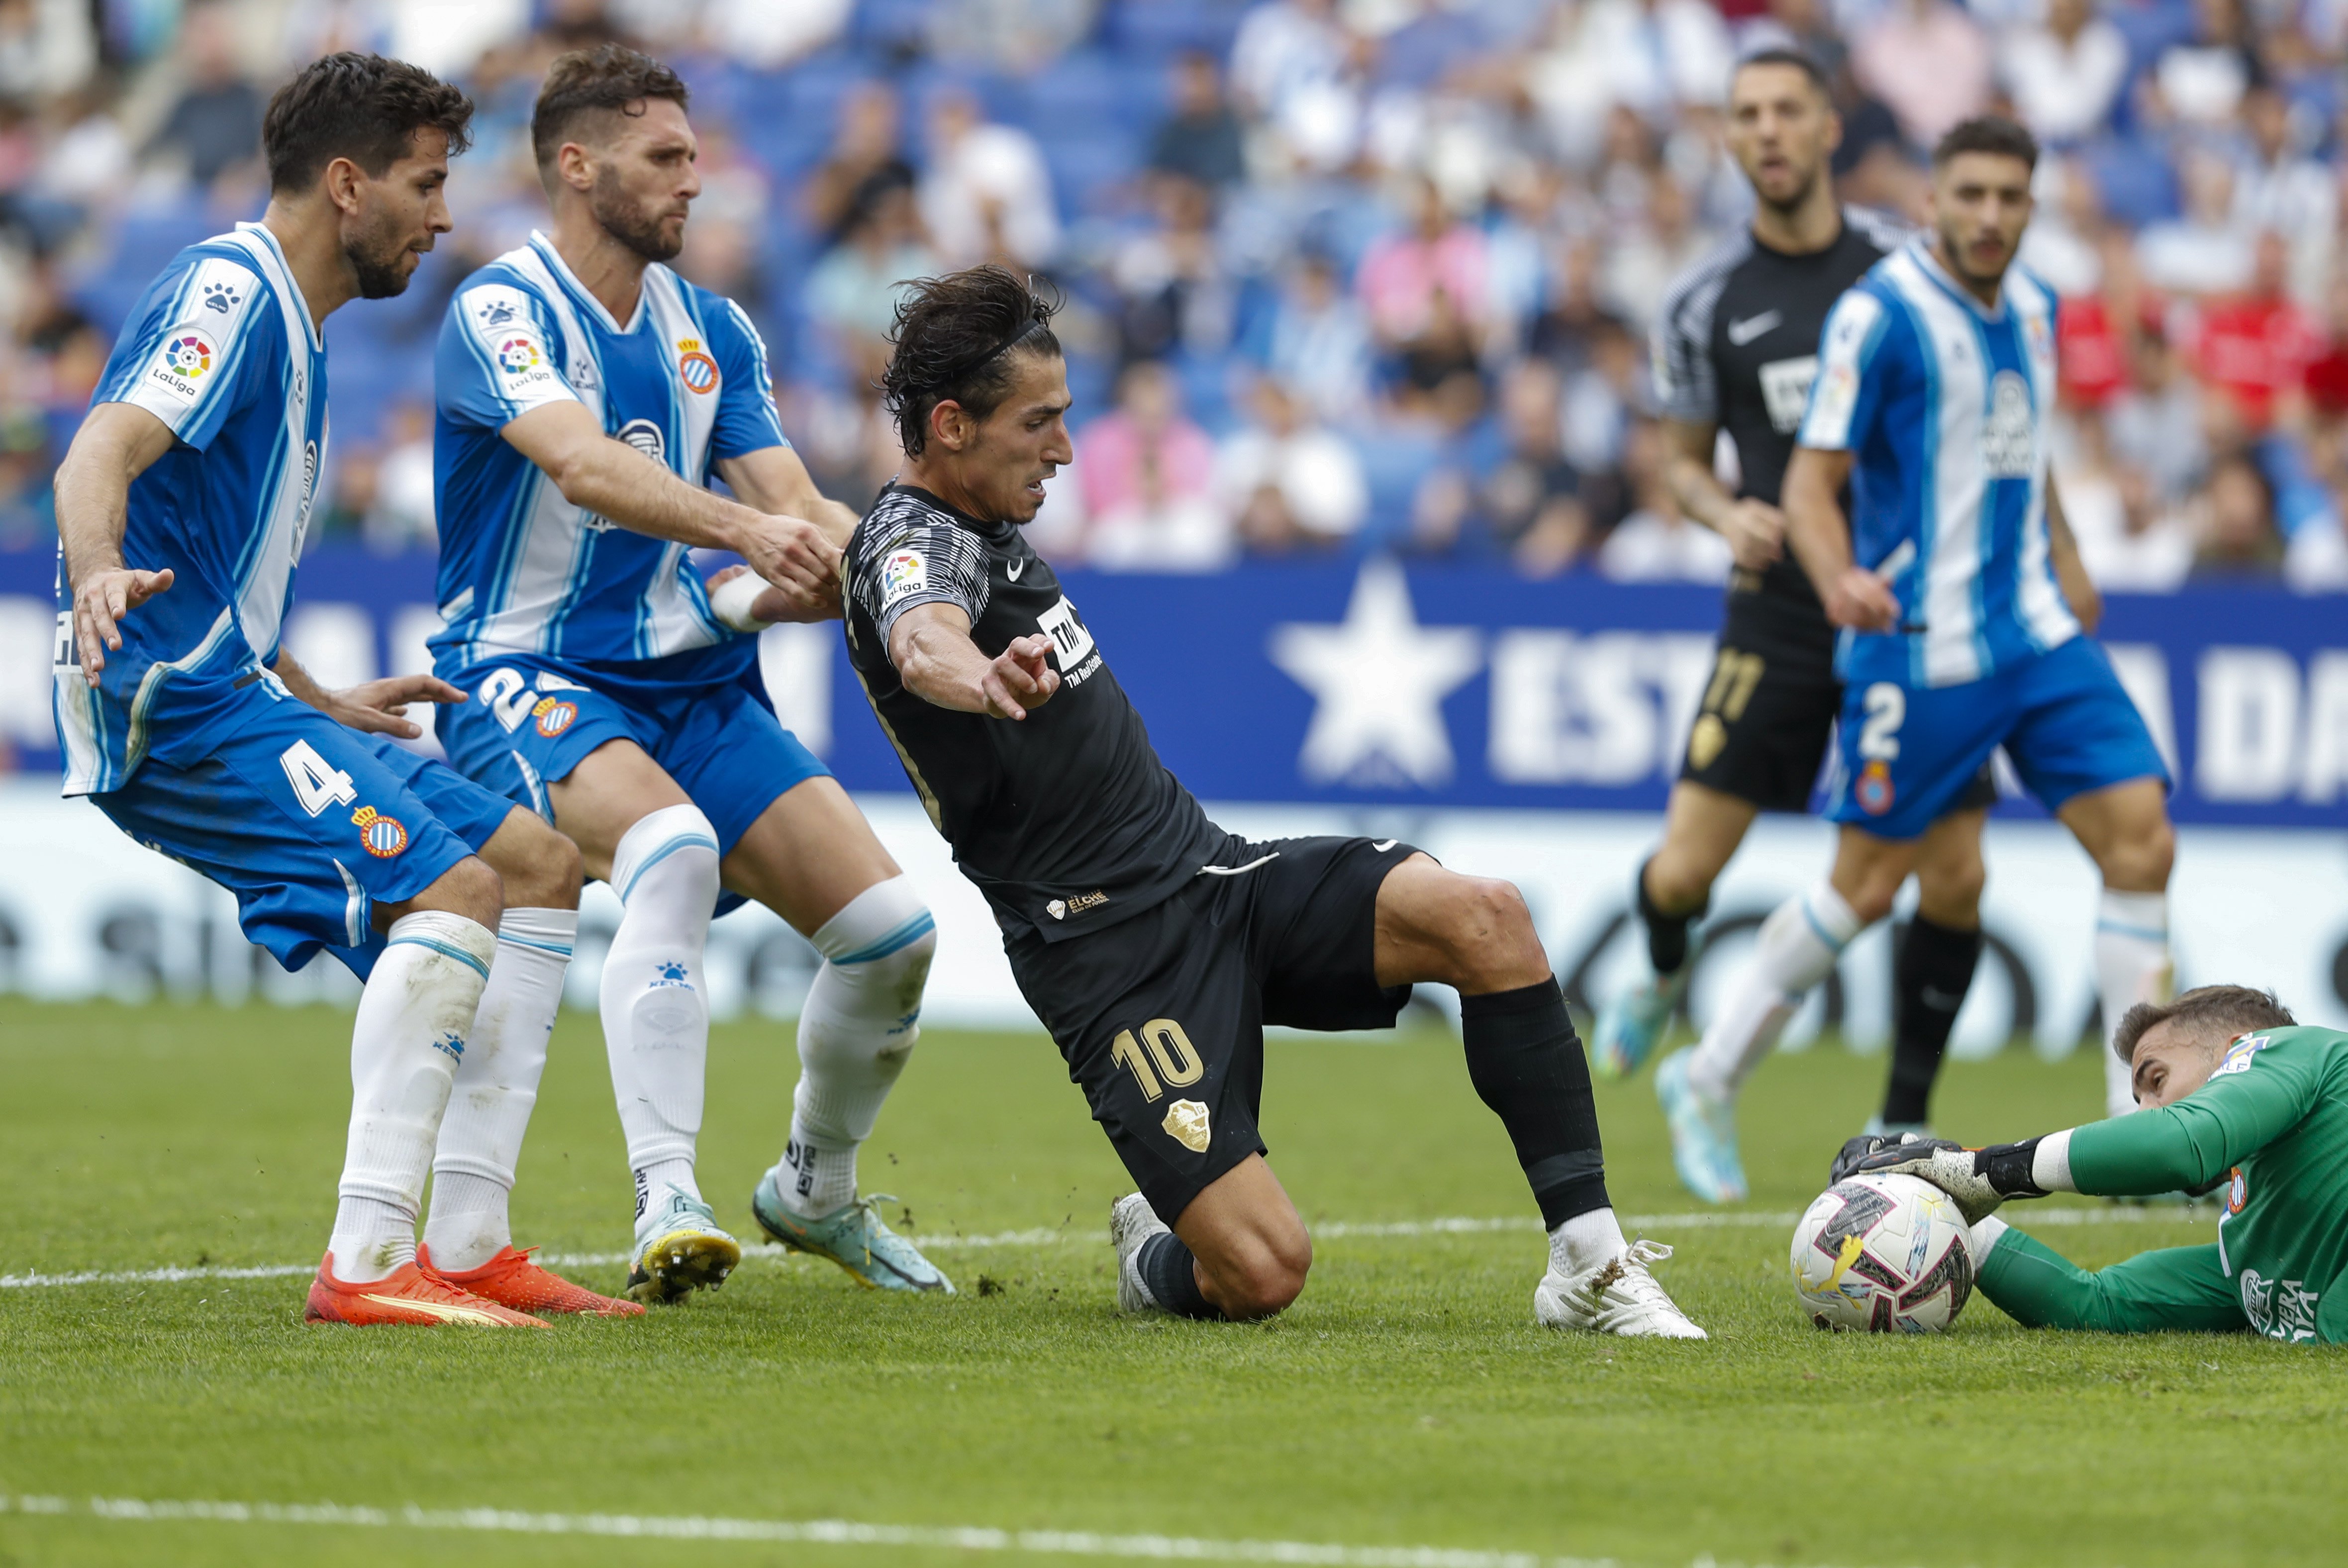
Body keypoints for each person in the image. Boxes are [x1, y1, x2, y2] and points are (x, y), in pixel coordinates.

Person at [838, 264, 1705, 1339]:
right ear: (952, 425)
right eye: (1042, 423)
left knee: (1487, 916)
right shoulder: (917, 542)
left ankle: (1587, 1263)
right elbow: (922, 637)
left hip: (1214, 877)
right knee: (1261, 1273)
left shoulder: (979, 516)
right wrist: (980, 680)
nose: (1065, 449)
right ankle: (1154, 1248)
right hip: (1106, 957)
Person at [54, 53, 632, 1328]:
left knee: (537, 863)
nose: (441, 217)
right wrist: (97, 573)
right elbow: (103, 441)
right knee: (455, 888)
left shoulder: (302, 332)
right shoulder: (233, 289)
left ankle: (473, 1239)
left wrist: (306, 690)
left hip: (233, 686)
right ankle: (368, 1259)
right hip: (168, 702)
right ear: (346, 181)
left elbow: (216, 564)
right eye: (426, 186)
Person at [429, 45, 951, 1304]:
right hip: (525, 668)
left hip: (695, 683)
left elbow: (797, 503)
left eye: (693, 158)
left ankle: (813, 1190)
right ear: (577, 163)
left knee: (892, 936)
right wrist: (743, 536)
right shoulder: (502, 308)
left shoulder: (712, 329)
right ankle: (667, 1192)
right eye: (664, 158)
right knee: (669, 851)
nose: (692, 182)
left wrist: (899, 586)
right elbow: (583, 465)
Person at [1600, 50, 1998, 1205]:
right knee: (1682, 871)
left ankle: (1904, 1124)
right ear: (1729, 140)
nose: (1767, 132)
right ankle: (1664, 974)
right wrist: (1726, 510)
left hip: (1905, 610)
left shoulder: (1903, 271)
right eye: (1746, 116)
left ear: (1830, 127)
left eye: (1787, 112)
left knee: (1957, 873)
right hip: (1776, 610)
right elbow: (1678, 465)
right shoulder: (1703, 302)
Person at [1778, 115, 2172, 1143]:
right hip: (1916, 642)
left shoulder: (2037, 309)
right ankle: (1716, 1066)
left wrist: (2068, 554)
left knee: (2139, 839)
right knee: (1884, 881)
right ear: (1932, 200)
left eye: (2009, 197)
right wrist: (1835, 577)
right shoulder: (1883, 315)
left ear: (2031, 207)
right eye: (1971, 194)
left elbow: (2022, 447)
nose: (1990, 214)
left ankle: (2125, 1119)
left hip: (2026, 632)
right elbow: (1808, 479)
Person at [1838, 986, 2348, 1344]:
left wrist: (1990, 1167)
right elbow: (2097, 1303)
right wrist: (1935, 1210)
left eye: (2157, 1078)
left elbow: (2181, 1141)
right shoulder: (2252, 1238)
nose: (2148, 1112)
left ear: (2238, 1045)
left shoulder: (2295, 1049)